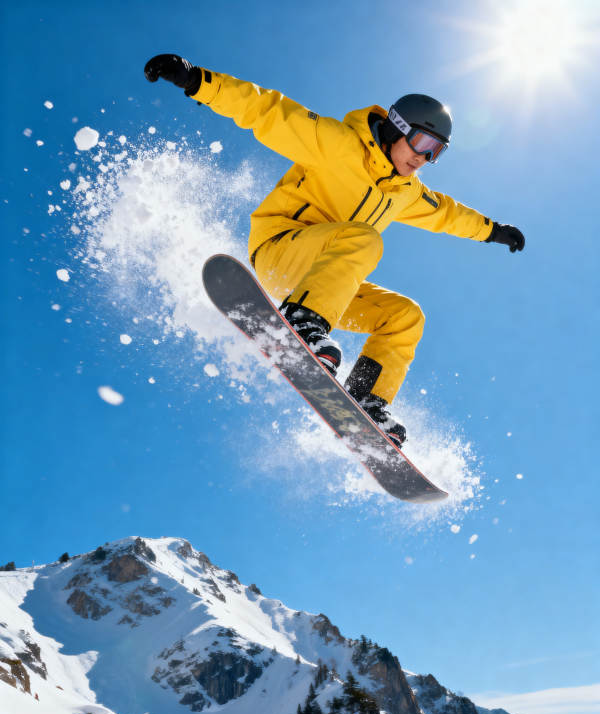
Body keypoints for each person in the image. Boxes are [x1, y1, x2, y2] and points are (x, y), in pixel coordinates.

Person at [144, 54, 524, 447]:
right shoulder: (337, 143)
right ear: (397, 128)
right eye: (422, 143)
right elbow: (267, 111)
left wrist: (493, 231)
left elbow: (445, 212)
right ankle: (301, 324)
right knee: (365, 239)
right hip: (280, 250)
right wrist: (197, 80)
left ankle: (367, 399)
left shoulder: (405, 191)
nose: (424, 158)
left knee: (405, 316)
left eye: (436, 152)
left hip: (323, 283)